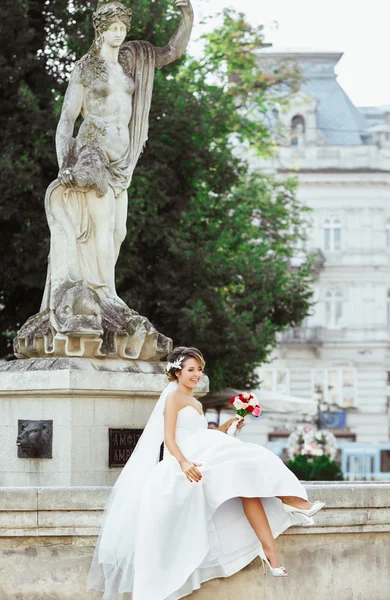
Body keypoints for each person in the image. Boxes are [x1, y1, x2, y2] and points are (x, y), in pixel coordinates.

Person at [87, 346, 325, 599]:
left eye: (199, 369)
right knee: (250, 460)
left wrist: (227, 425)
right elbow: (168, 438)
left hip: (201, 454)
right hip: (184, 464)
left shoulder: (196, 403)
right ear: (177, 372)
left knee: (248, 483)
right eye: (191, 369)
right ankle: (291, 501)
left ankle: (273, 550)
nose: (197, 374)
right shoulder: (174, 398)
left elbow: (202, 436)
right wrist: (183, 463)